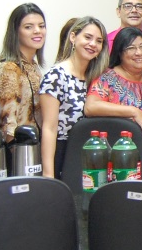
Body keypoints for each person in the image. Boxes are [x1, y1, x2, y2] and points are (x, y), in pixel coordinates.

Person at [38, 17, 108, 179]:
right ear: (73, 37)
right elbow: (49, 128)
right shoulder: (56, 76)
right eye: (88, 37)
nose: (93, 44)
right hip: (62, 153)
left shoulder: (97, 77)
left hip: (90, 154)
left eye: (99, 41)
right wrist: (48, 174)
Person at [85, 27, 142, 180]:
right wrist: (134, 111)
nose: (139, 52)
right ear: (119, 52)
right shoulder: (108, 78)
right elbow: (91, 107)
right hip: (118, 159)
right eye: (131, 48)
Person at [0, 3, 46, 142]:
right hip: (20, 148)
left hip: (34, 145)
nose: (37, 31)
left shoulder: (33, 66)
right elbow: (8, 124)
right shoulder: (10, 69)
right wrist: (17, 151)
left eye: (41, 26)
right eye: (28, 27)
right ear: (16, 32)